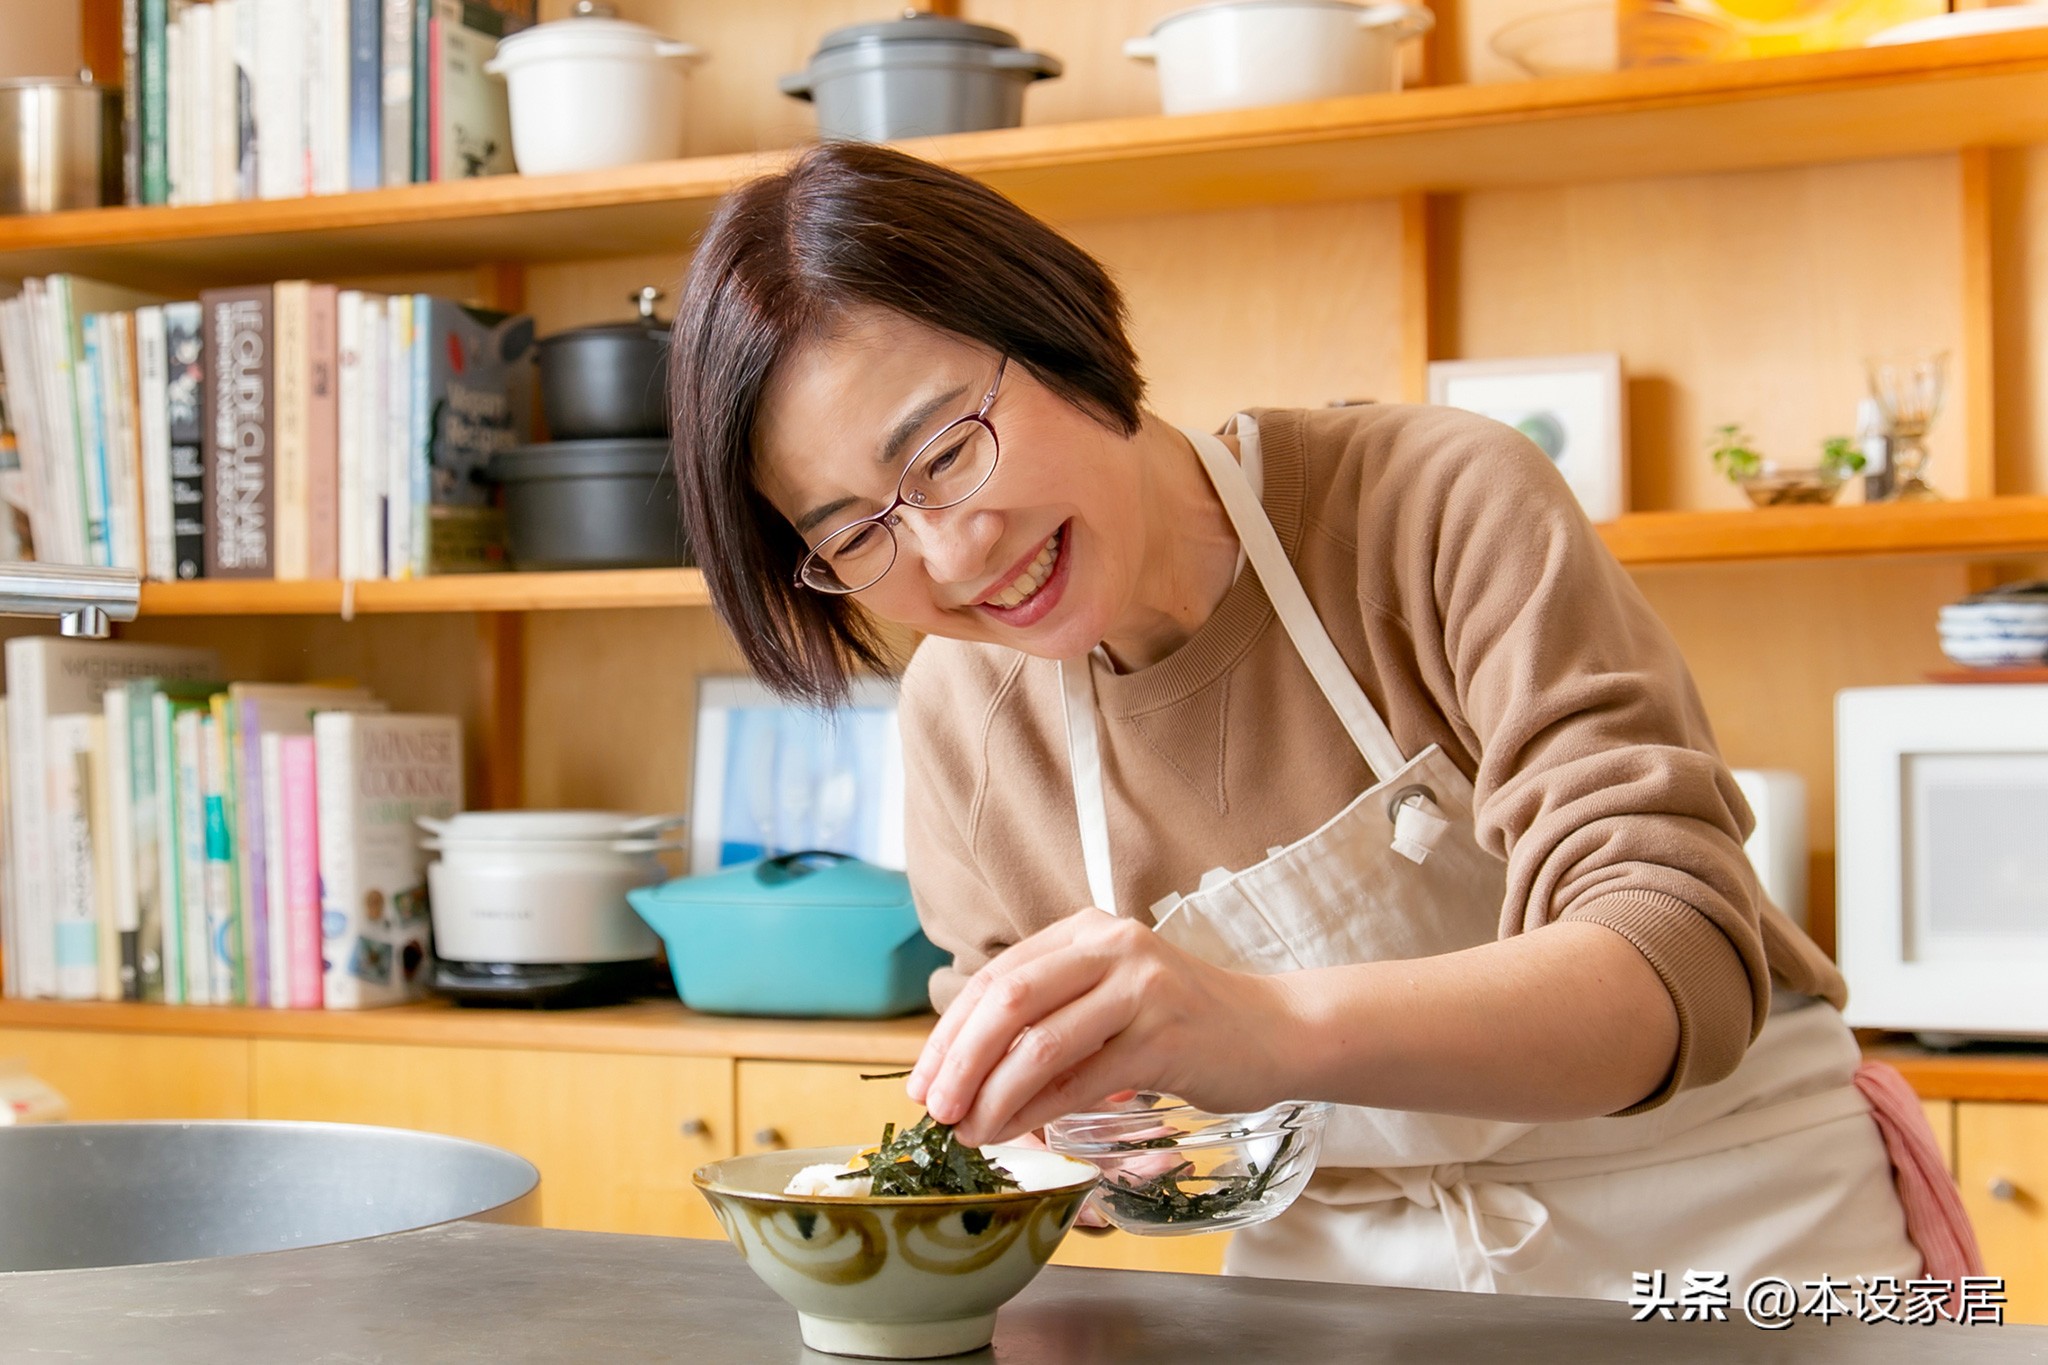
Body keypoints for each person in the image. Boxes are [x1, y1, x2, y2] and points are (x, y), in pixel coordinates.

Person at [668, 140, 1962, 1297]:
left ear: (1053, 327)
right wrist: (1040, 1122)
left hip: (1737, 1243)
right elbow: (1087, 1160)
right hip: (1352, 1294)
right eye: (855, 535)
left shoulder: (1432, 505)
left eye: (946, 454)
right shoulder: (960, 721)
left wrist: (1258, 1029)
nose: (949, 557)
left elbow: (1675, 960)